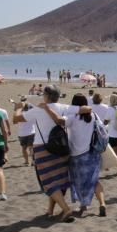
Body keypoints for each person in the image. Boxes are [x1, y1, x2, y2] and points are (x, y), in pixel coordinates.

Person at [14, 85, 86, 222]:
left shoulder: (38, 110)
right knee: (59, 179)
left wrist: (18, 107)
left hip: (42, 148)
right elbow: (85, 109)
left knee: (48, 182)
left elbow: (16, 119)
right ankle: (50, 211)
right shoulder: (63, 107)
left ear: (46, 96)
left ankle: (66, 209)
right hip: (62, 147)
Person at [43, 94, 106, 217]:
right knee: (93, 181)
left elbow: (59, 121)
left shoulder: (73, 117)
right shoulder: (93, 115)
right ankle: (102, 204)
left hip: (76, 155)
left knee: (79, 182)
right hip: (92, 153)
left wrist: (47, 109)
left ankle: (83, 205)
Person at [15, 99, 35, 166]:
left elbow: (15, 121)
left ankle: (26, 161)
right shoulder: (31, 114)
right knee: (31, 148)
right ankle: (33, 161)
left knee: (24, 148)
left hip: (22, 133)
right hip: (31, 132)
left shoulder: (20, 114)